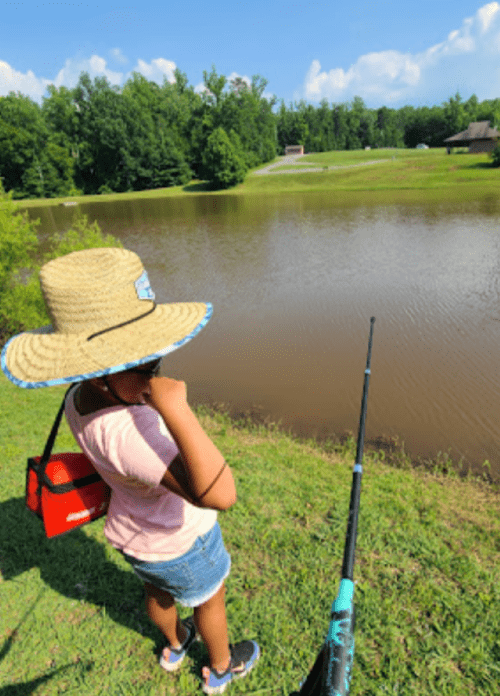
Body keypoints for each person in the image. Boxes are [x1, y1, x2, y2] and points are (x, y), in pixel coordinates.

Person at [1, 247, 260, 694]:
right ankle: (220, 668)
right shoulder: (133, 433)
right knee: (209, 600)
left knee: (158, 595)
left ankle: (175, 646)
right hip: (182, 543)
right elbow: (221, 494)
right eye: (145, 364)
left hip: (134, 537)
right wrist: (177, 410)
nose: (157, 369)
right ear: (102, 374)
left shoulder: (78, 398)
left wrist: (144, 390)